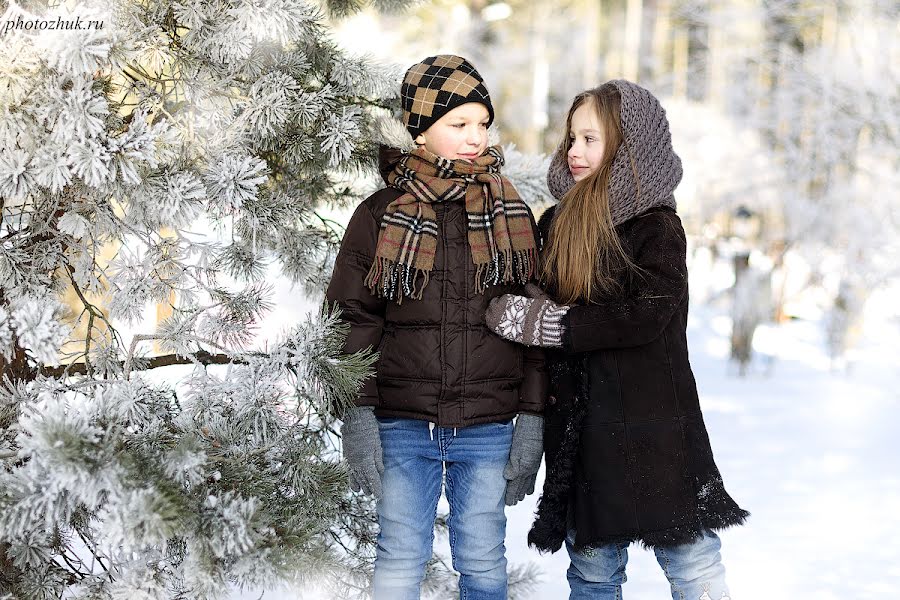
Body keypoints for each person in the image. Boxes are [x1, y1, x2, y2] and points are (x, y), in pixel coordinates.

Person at [485, 81, 748, 600]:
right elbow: (538, 293)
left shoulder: (655, 226)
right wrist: (524, 304)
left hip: (653, 426)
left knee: (691, 559)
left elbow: (644, 315)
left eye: (592, 139)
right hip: (584, 428)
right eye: (572, 138)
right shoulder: (558, 222)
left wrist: (556, 325)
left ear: (629, 147)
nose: (575, 152)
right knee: (593, 570)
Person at [326, 55, 547, 600]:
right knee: (401, 551)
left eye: (482, 124)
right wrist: (356, 413)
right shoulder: (380, 214)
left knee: (482, 556)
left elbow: (535, 325)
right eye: (459, 123)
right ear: (420, 129)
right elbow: (352, 321)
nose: (476, 137)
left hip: (488, 423)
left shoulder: (510, 212)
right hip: (403, 423)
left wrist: (532, 418)